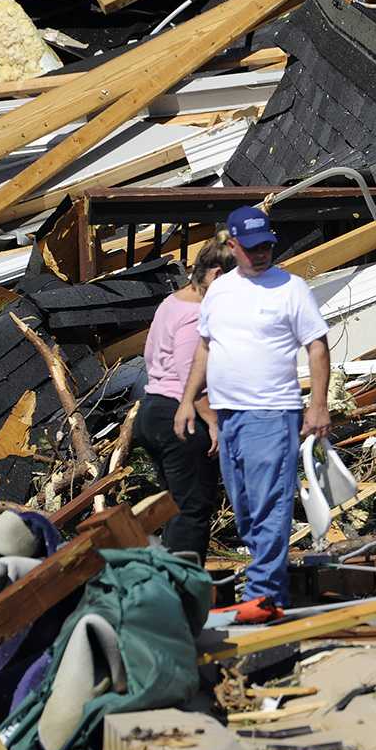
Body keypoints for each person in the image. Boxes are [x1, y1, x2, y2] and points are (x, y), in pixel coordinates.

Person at [174, 206, 331, 621]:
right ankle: (267, 592)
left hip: (272, 411)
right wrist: (188, 400)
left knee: (269, 504)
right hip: (229, 415)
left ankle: (265, 595)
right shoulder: (221, 291)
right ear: (232, 245)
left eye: (267, 246)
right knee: (244, 506)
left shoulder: (290, 288)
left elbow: (316, 345)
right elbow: (205, 348)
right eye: (253, 247)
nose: (262, 254)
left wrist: (317, 404)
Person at [134, 234, 233, 565]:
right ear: (216, 275)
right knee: (192, 509)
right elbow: (191, 374)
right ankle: (184, 591)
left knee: (176, 504)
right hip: (181, 416)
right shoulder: (195, 313)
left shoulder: (171, 302)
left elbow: (150, 357)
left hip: (153, 411)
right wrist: (214, 421)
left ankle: (170, 583)